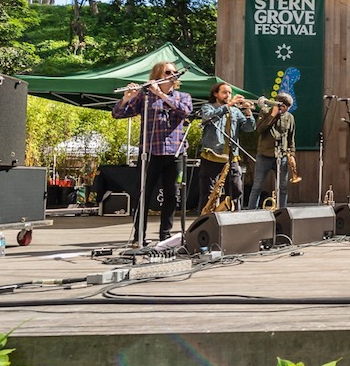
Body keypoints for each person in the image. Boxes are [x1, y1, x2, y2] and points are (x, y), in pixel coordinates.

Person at [111, 61, 192, 243]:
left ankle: (165, 236)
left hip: (174, 153)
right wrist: (126, 98)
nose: (173, 74)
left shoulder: (183, 96)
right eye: (168, 72)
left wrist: (161, 94)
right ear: (157, 76)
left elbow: (185, 112)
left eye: (174, 72)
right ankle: (139, 236)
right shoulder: (145, 97)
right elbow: (117, 114)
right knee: (143, 195)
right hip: (150, 153)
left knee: (172, 195)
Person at [198, 82, 256, 212]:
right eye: (224, 92)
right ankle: (204, 218)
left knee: (236, 190)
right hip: (213, 154)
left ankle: (235, 219)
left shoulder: (235, 111)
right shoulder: (208, 107)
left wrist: (248, 112)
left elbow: (248, 128)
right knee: (208, 192)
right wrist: (228, 105)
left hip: (231, 156)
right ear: (215, 94)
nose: (228, 95)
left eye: (230, 93)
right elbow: (208, 117)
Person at [247, 92, 295, 209]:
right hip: (264, 155)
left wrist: (292, 155)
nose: (286, 109)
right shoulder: (265, 112)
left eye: (288, 107)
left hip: (282, 156)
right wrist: (272, 115)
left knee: (283, 186)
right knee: (258, 185)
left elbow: (291, 138)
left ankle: (282, 211)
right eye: (284, 106)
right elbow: (259, 129)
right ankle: (251, 211)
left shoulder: (290, 117)